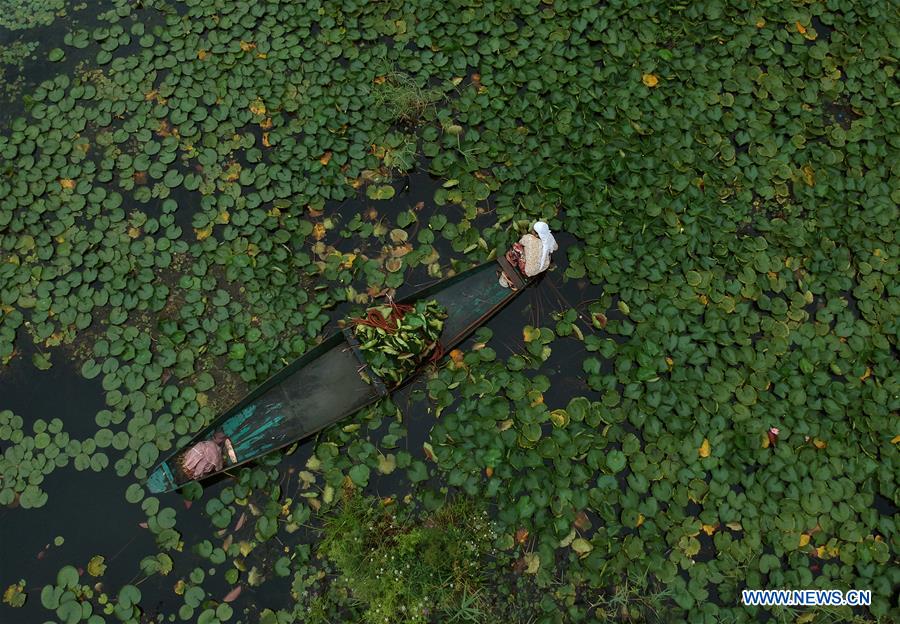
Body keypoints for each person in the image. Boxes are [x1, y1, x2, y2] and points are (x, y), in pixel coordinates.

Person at [499, 221, 558, 287]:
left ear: (537, 234)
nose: (531, 230)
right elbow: (555, 248)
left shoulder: (530, 238)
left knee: (516, 246)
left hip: (526, 270)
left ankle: (514, 263)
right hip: (539, 268)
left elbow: (520, 243)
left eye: (533, 230)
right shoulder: (549, 240)